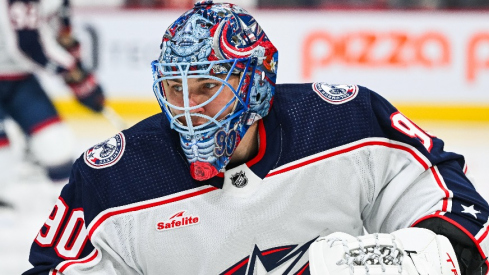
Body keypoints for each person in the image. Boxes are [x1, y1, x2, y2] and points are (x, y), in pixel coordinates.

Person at [24, 1, 488, 274]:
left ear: (257, 84)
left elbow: (460, 219)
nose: (189, 108)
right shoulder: (114, 179)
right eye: (174, 88)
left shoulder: (344, 122)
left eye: (208, 86)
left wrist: (399, 259)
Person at [0, 0, 105, 190]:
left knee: (56, 144)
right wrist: (75, 75)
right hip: (13, 73)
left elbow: (62, 36)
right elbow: (27, 45)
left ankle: (68, 204)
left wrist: (80, 78)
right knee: (2, 162)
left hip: (19, 79)